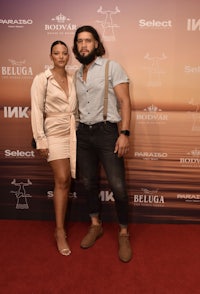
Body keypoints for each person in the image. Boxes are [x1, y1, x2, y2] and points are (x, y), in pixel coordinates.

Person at [73, 26, 132, 262]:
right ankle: (95, 224)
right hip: (83, 135)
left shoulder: (111, 66)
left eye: (88, 40)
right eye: (79, 41)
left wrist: (124, 133)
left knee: (118, 185)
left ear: (96, 44)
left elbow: (124, 101)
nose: (84, 45)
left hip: (108, 132)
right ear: (76, 46)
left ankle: (124, 232)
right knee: (88, 182)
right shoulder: (76, 74)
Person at [31, 40, 77, 256]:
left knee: (68, 180)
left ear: (69, 57)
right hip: (54, 134)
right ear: (51, 56)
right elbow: (37, 110)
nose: (60, 56)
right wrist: (41, 139)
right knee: (61, 178)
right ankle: (59, 231)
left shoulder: (73, 78)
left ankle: (62, 227)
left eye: (64, 53)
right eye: (56, 53)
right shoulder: (42, 79)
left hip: (73, 134)